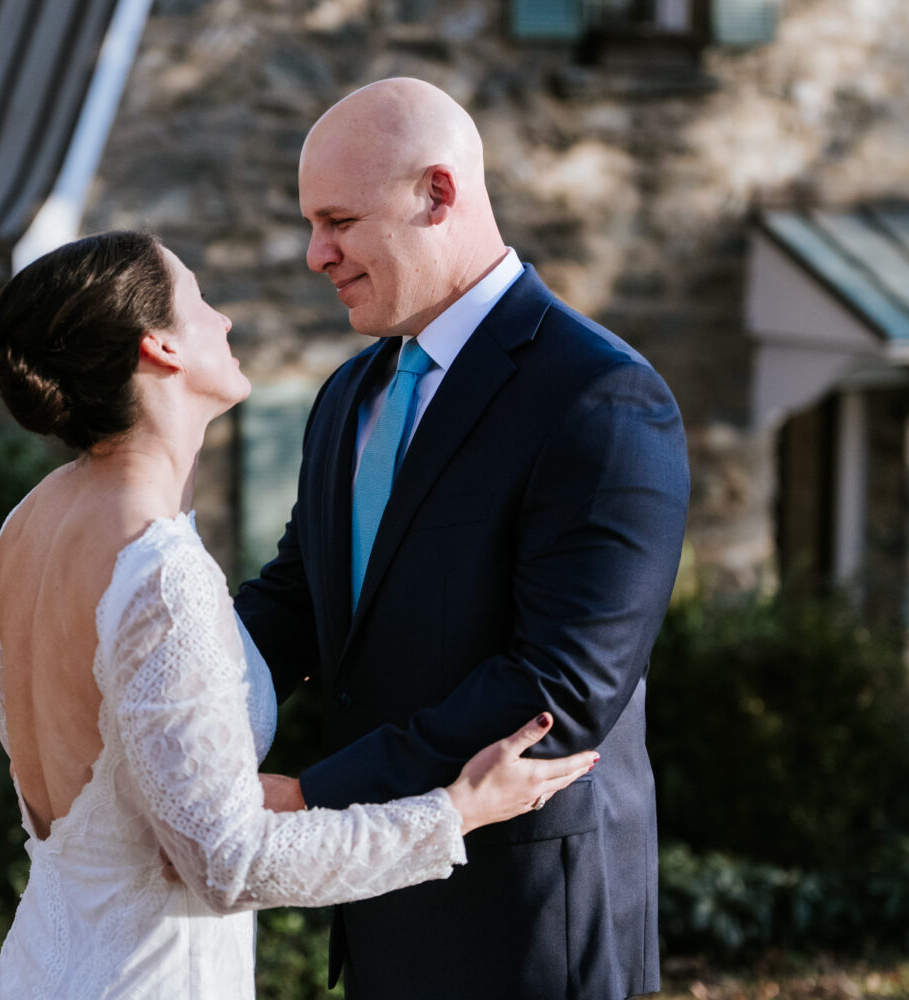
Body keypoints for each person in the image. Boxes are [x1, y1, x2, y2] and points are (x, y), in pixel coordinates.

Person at [0, 230, 599, 999]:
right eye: (199, 301)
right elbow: (231, 863)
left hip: (41, 965)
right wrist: (453, 813)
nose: (224, 321)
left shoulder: (27, 525)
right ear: (160, 347)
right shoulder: (158, 567)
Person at [234, 78, 691, 999]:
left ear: (437, 194)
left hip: (530, 924)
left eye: (338, 221)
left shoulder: (600, 397)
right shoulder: (349, 394)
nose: (314, 253)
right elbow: (296, 598)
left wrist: (313, 796)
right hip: (381, 898)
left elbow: (561, 686)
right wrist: (161, 700)